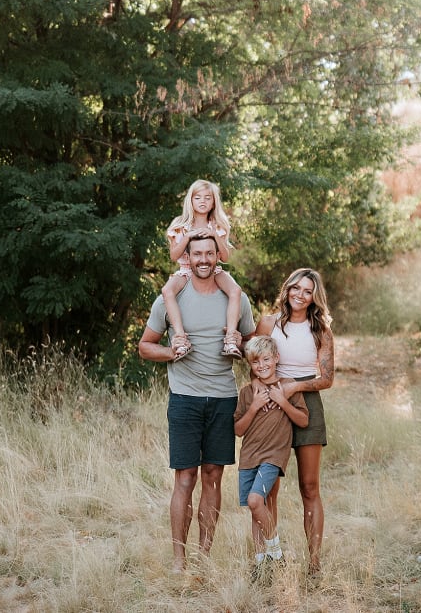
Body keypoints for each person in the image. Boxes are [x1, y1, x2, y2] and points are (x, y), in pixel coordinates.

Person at [138, 230, 256, 573]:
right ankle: (179, 561)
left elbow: (253, 348)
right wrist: (169, 352)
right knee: (184, 478)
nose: (203, 259)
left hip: (223, 397)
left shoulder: (237, 298)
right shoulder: (171, 298)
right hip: (185, 398)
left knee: (213, 477)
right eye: (197, 254)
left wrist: (241, 345)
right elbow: (146, 345)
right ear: (186, 258)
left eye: (209, 253)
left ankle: (204, 557)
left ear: (218, 255)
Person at [254, 268, 334, 575]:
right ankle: (268, 560)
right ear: (287, 289)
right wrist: (268, 394)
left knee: (310, 486)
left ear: (315, 296)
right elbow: (255, 365)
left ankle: (314, 563)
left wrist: (295, 386)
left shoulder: (321, 331)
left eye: (308, 290)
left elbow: (326, 378)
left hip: (307, 403)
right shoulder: (268, 323)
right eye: (296, 288)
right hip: (272, 403)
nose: (300, 295)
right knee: (268, 487)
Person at [233, 335, 309, 580]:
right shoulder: (247, 393)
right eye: (256, 362)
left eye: (266, 359)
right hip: (249, 456)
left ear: (276, 358)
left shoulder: (287, 387)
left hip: (273, 456)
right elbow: (238, 430)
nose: (262, 365)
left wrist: (283, 401)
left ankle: (276, 554)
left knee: (256, 501)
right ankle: (260, 561)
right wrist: (254, 406)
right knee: (255, 510)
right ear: (250, 365)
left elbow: (303, 420)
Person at [161, 179, 243, 360]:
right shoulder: (181, 225)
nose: (203, 201)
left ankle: (230, 339)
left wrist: (214, 234)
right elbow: (174, 256)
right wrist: (187, 237)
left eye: (208, 198)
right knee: (167, 291)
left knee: (236, 290)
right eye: (197, 197)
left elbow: (225, 257)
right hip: (186, 269)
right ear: (190, 200)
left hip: (212, 269)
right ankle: (181, 339)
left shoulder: (217, 225)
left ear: (214, 202)